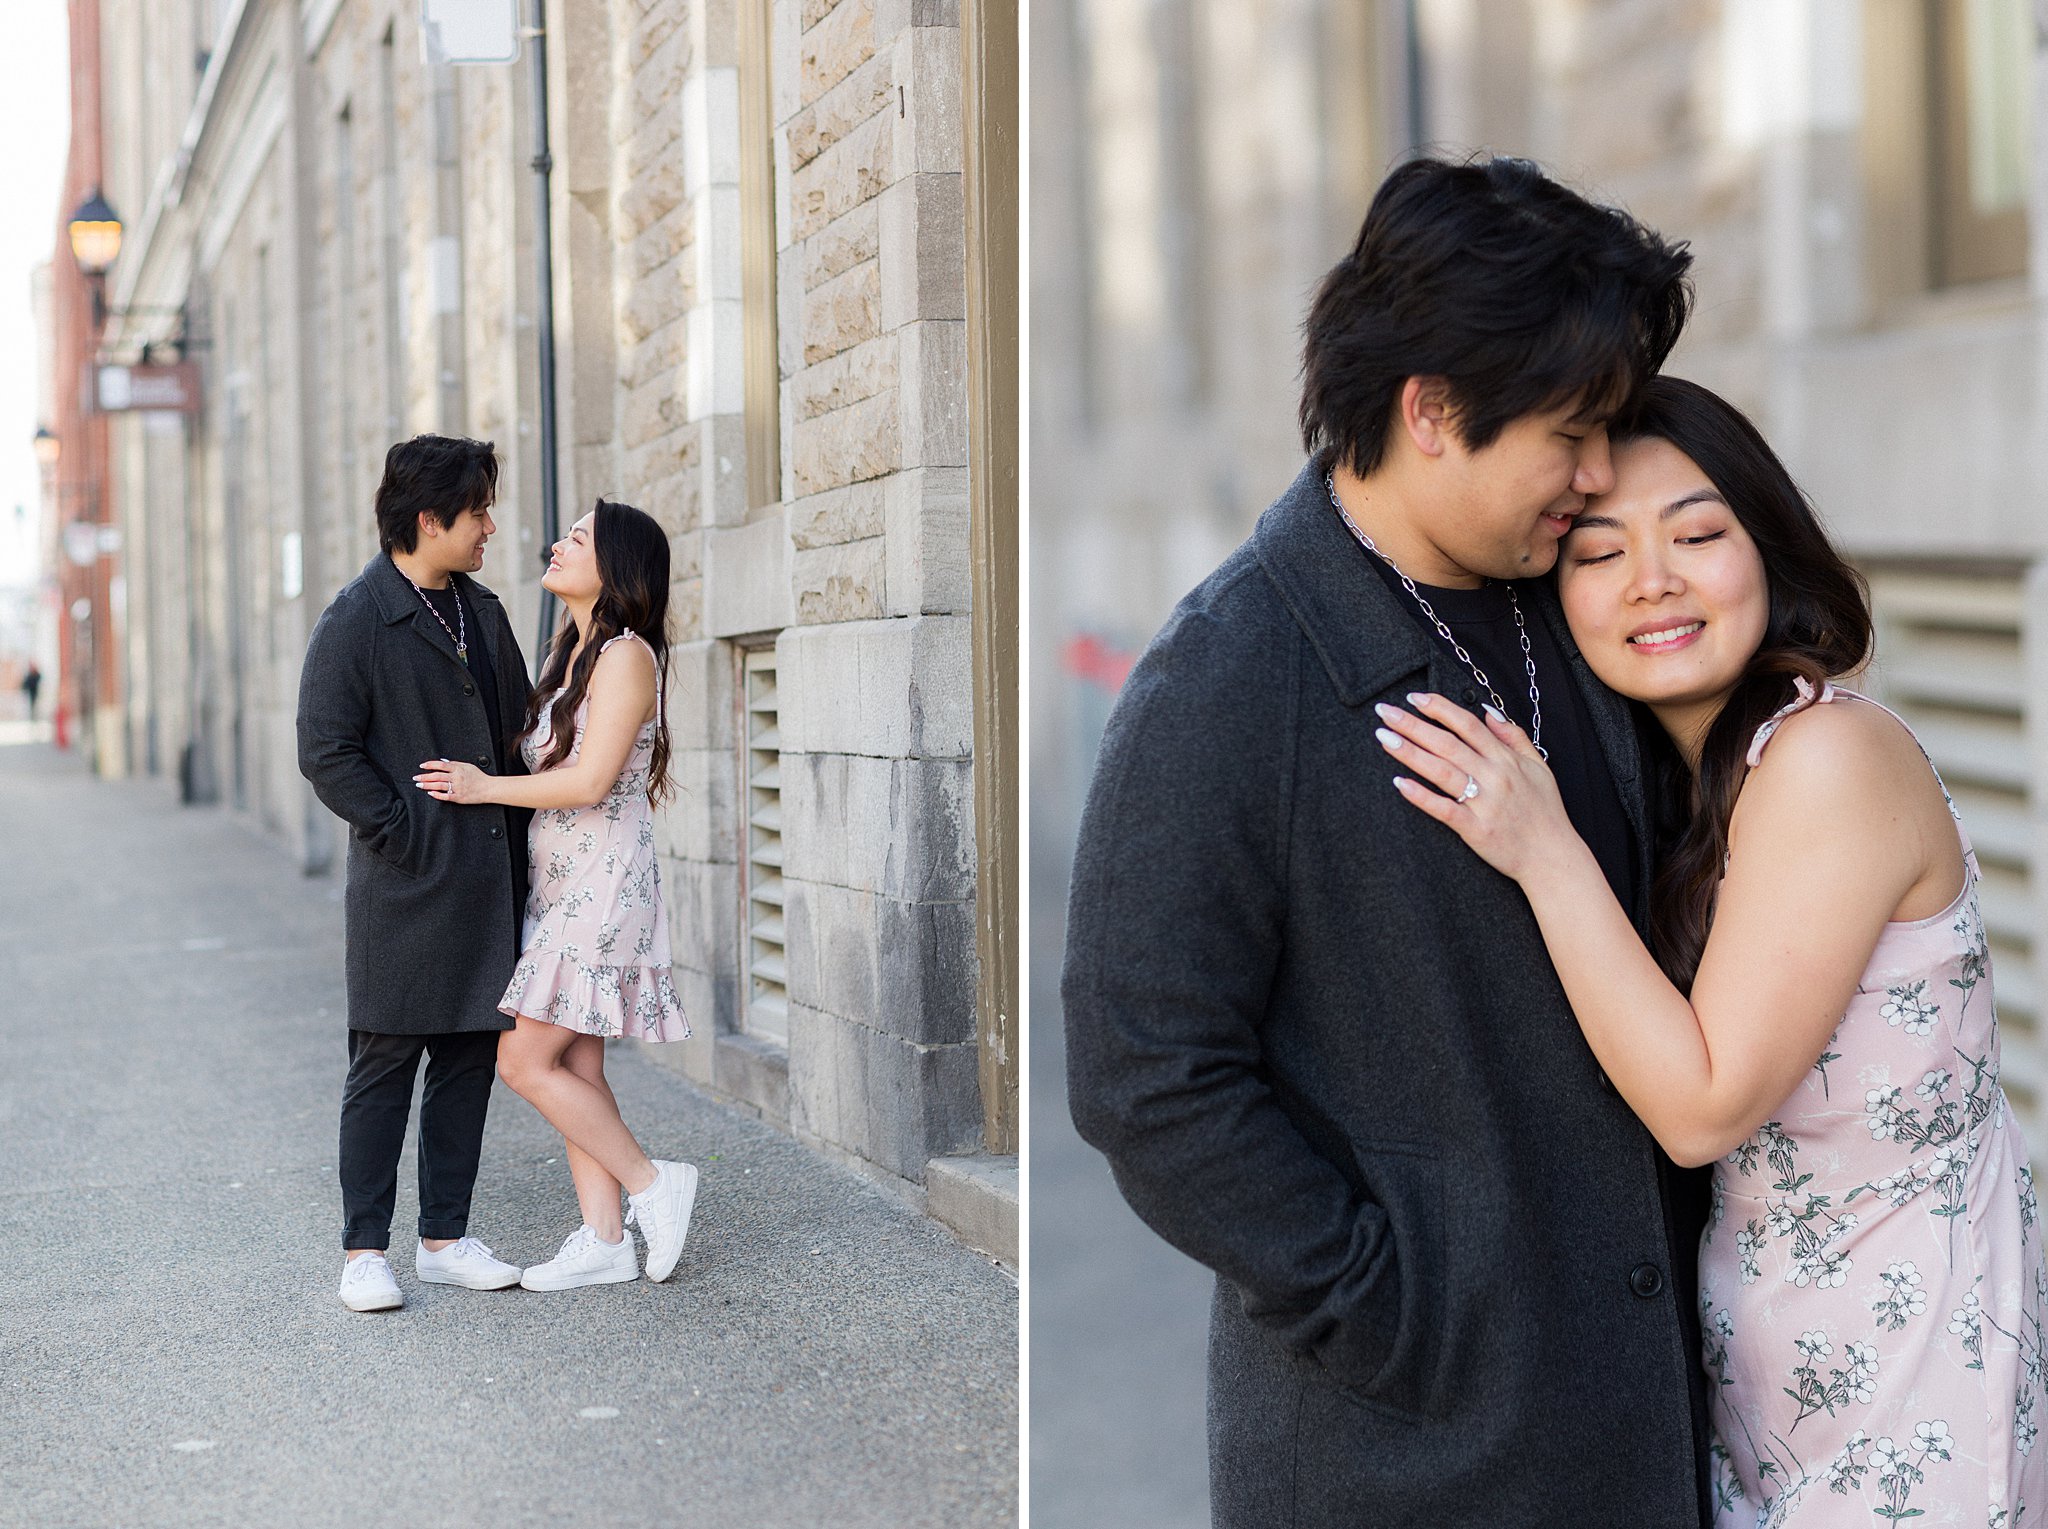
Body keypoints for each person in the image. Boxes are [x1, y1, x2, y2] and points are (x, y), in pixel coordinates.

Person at [1062, 155, 1711, 1526]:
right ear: (1429, 410)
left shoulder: (1570, 604)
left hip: (1645, 1425)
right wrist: (1396, 1308)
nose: (1600, 476)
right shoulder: (1229, 677)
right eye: (1570, 433)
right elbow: (1145, 1075)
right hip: (1412, 1459)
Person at [1376, 375, 2048, 1526]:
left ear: (1768, 550)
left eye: (1695, 533)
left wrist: (1540, 848)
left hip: (1911, 1402)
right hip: (1774, 1405)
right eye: (1596, 553)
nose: (1652, 580)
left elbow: (1699, 1103)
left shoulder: (1825, 758)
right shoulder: (1698, 789)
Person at [414, 499, 697, 1292]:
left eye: (577, 538)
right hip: (564, 880)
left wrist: (480, 789)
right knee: (574, 1058)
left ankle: (650, 1183)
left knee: (522, 1059)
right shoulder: (573, 653)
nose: (555, 544)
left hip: (604, 883)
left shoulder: (626, 657)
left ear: (617, 566)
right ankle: (605, 1239)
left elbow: (592, 779)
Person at [297, 434, 531, 1312]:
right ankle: (364, 1250)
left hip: (486, 880)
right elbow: (324, 748)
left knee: (469, 1055)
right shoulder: (358, 617)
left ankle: (444, 1236)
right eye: (476, 513)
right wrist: (404, 830)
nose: (489, 527)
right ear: (428, 519)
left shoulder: (484, 611)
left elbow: (512, 731)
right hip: (403, 885)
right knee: (385, 1062)